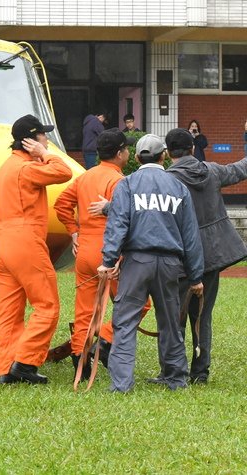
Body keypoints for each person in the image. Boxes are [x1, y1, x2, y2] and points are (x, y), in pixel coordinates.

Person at [99, 134, 204, 392]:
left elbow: (118, 224)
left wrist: (108, 260)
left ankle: (121, 384)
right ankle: (176, 378)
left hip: (136, 261)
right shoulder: (178, 188)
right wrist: (196, 275)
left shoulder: (127, 184)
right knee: (170, 321)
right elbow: (190, 235)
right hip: (170, 264)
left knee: (124, 322)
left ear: (136, 158)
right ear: (164, 156)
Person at [163, 127, 247, 384]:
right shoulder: (212, 171)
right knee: (203, 315)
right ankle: (200, 372)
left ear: (167, 153)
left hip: (177, 256)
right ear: (192, 149)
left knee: (175, 315)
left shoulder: (166, 180)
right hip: (211, 256)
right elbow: (240, 169)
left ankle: (174, 369)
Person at [0, 115, 73, 384]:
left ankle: (6, 368)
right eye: (43, 136)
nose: (47, 140)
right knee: (47, 306)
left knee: (8, 311)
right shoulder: (27, 168)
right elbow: (65, 172)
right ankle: (25, 363)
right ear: (30, 140)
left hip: (3, 243)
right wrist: (45, 154)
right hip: (25, 242)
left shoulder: (6, 167)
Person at [54, 128, 132, 378]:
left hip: (85, 250)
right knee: (136, 304)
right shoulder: (119, 181)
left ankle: (80, 357)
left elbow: (61, 204)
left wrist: (73, 232)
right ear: (120, 153)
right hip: (110, 251)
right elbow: (125, 219)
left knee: (85, 310)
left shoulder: (84, 177)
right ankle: (106, 341)